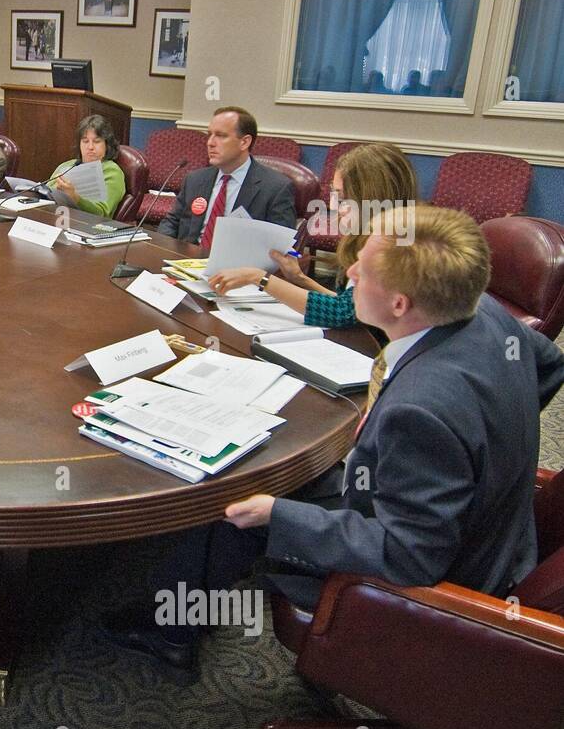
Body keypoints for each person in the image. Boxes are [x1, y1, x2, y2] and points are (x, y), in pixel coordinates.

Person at [104, 205, 564, 670]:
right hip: (495, 536)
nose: (349, 271)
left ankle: (169, 633)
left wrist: (277, 513)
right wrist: (491, 438)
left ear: (399, 304)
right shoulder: (485, 310)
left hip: (432, 584)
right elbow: (549, 364)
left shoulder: (420, 410)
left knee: (229, 493)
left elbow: (408, 557)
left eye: (362, 269)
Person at [206, 143, 418, 328]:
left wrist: (258, 277)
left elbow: (341, 314)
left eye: (344, 198)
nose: (336, 208)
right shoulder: (387, 230)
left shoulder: (394, 245)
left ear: (373, 198)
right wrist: (299, 278)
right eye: (335, 196)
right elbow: (350, 302)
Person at [156, 106, 297, 250]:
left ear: (245, 142)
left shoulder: (275, 187)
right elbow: (172, 222)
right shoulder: (195, 179)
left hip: (236, 267)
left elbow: (280, 246)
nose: (210, 142)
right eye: (209, 134)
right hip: (185, 261)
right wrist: (165, 251)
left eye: (221, 136)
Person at [45, 114, 126, 217]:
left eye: (97, 141)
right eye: (85, 141)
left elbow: (102, 212)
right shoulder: (66, 166)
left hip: (87, 226)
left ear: (107, 145)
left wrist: (75, 198)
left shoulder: (112, 171)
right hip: (53, 217)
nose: (90, 147)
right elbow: (44, 193)